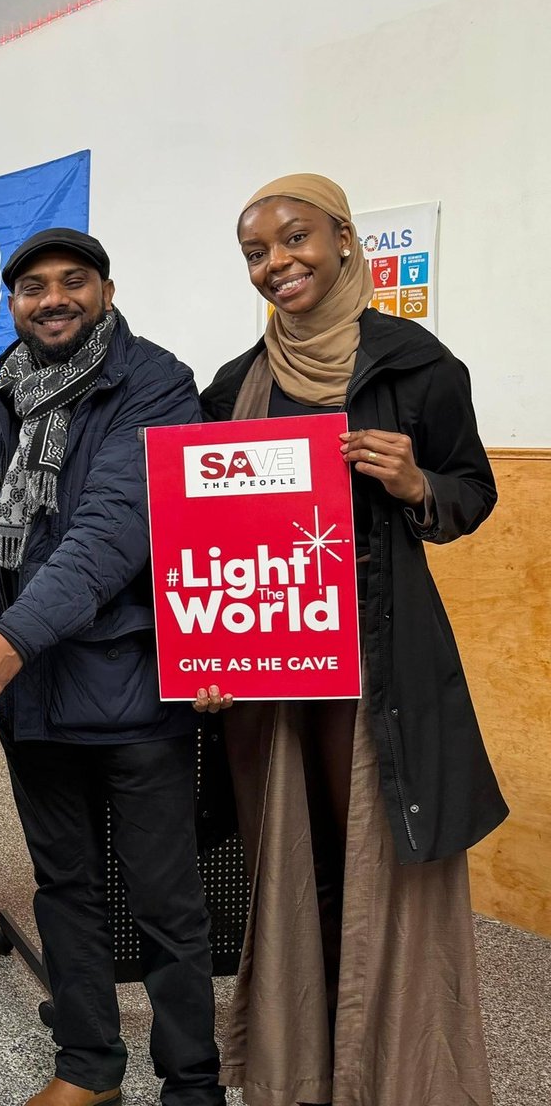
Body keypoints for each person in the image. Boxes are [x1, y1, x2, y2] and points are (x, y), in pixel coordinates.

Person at [196, 173, 505, 1106]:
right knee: (293, 862)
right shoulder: (233, 387)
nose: (277, 263)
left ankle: (390, 1074)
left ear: (341, 238)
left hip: (379, 663)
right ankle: (301, 1070)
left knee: (374, 859)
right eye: (255, 252)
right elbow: (205, 539)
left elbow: (471, 492)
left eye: (294, 239)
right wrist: (204, 652)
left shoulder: (417, 366)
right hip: (269, 668)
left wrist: (416, 486)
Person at [0, 228, 222, 1106]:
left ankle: (193, 1083)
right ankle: (88, 1066)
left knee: (165, 900)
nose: (53, 298)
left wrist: (10, 641)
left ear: (105, 290)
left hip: (131, 688)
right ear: (13, 303)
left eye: (73, 281)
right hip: (31, 696)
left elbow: (112, 532)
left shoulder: (156, 382)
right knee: (63, 886)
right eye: (33, 287)